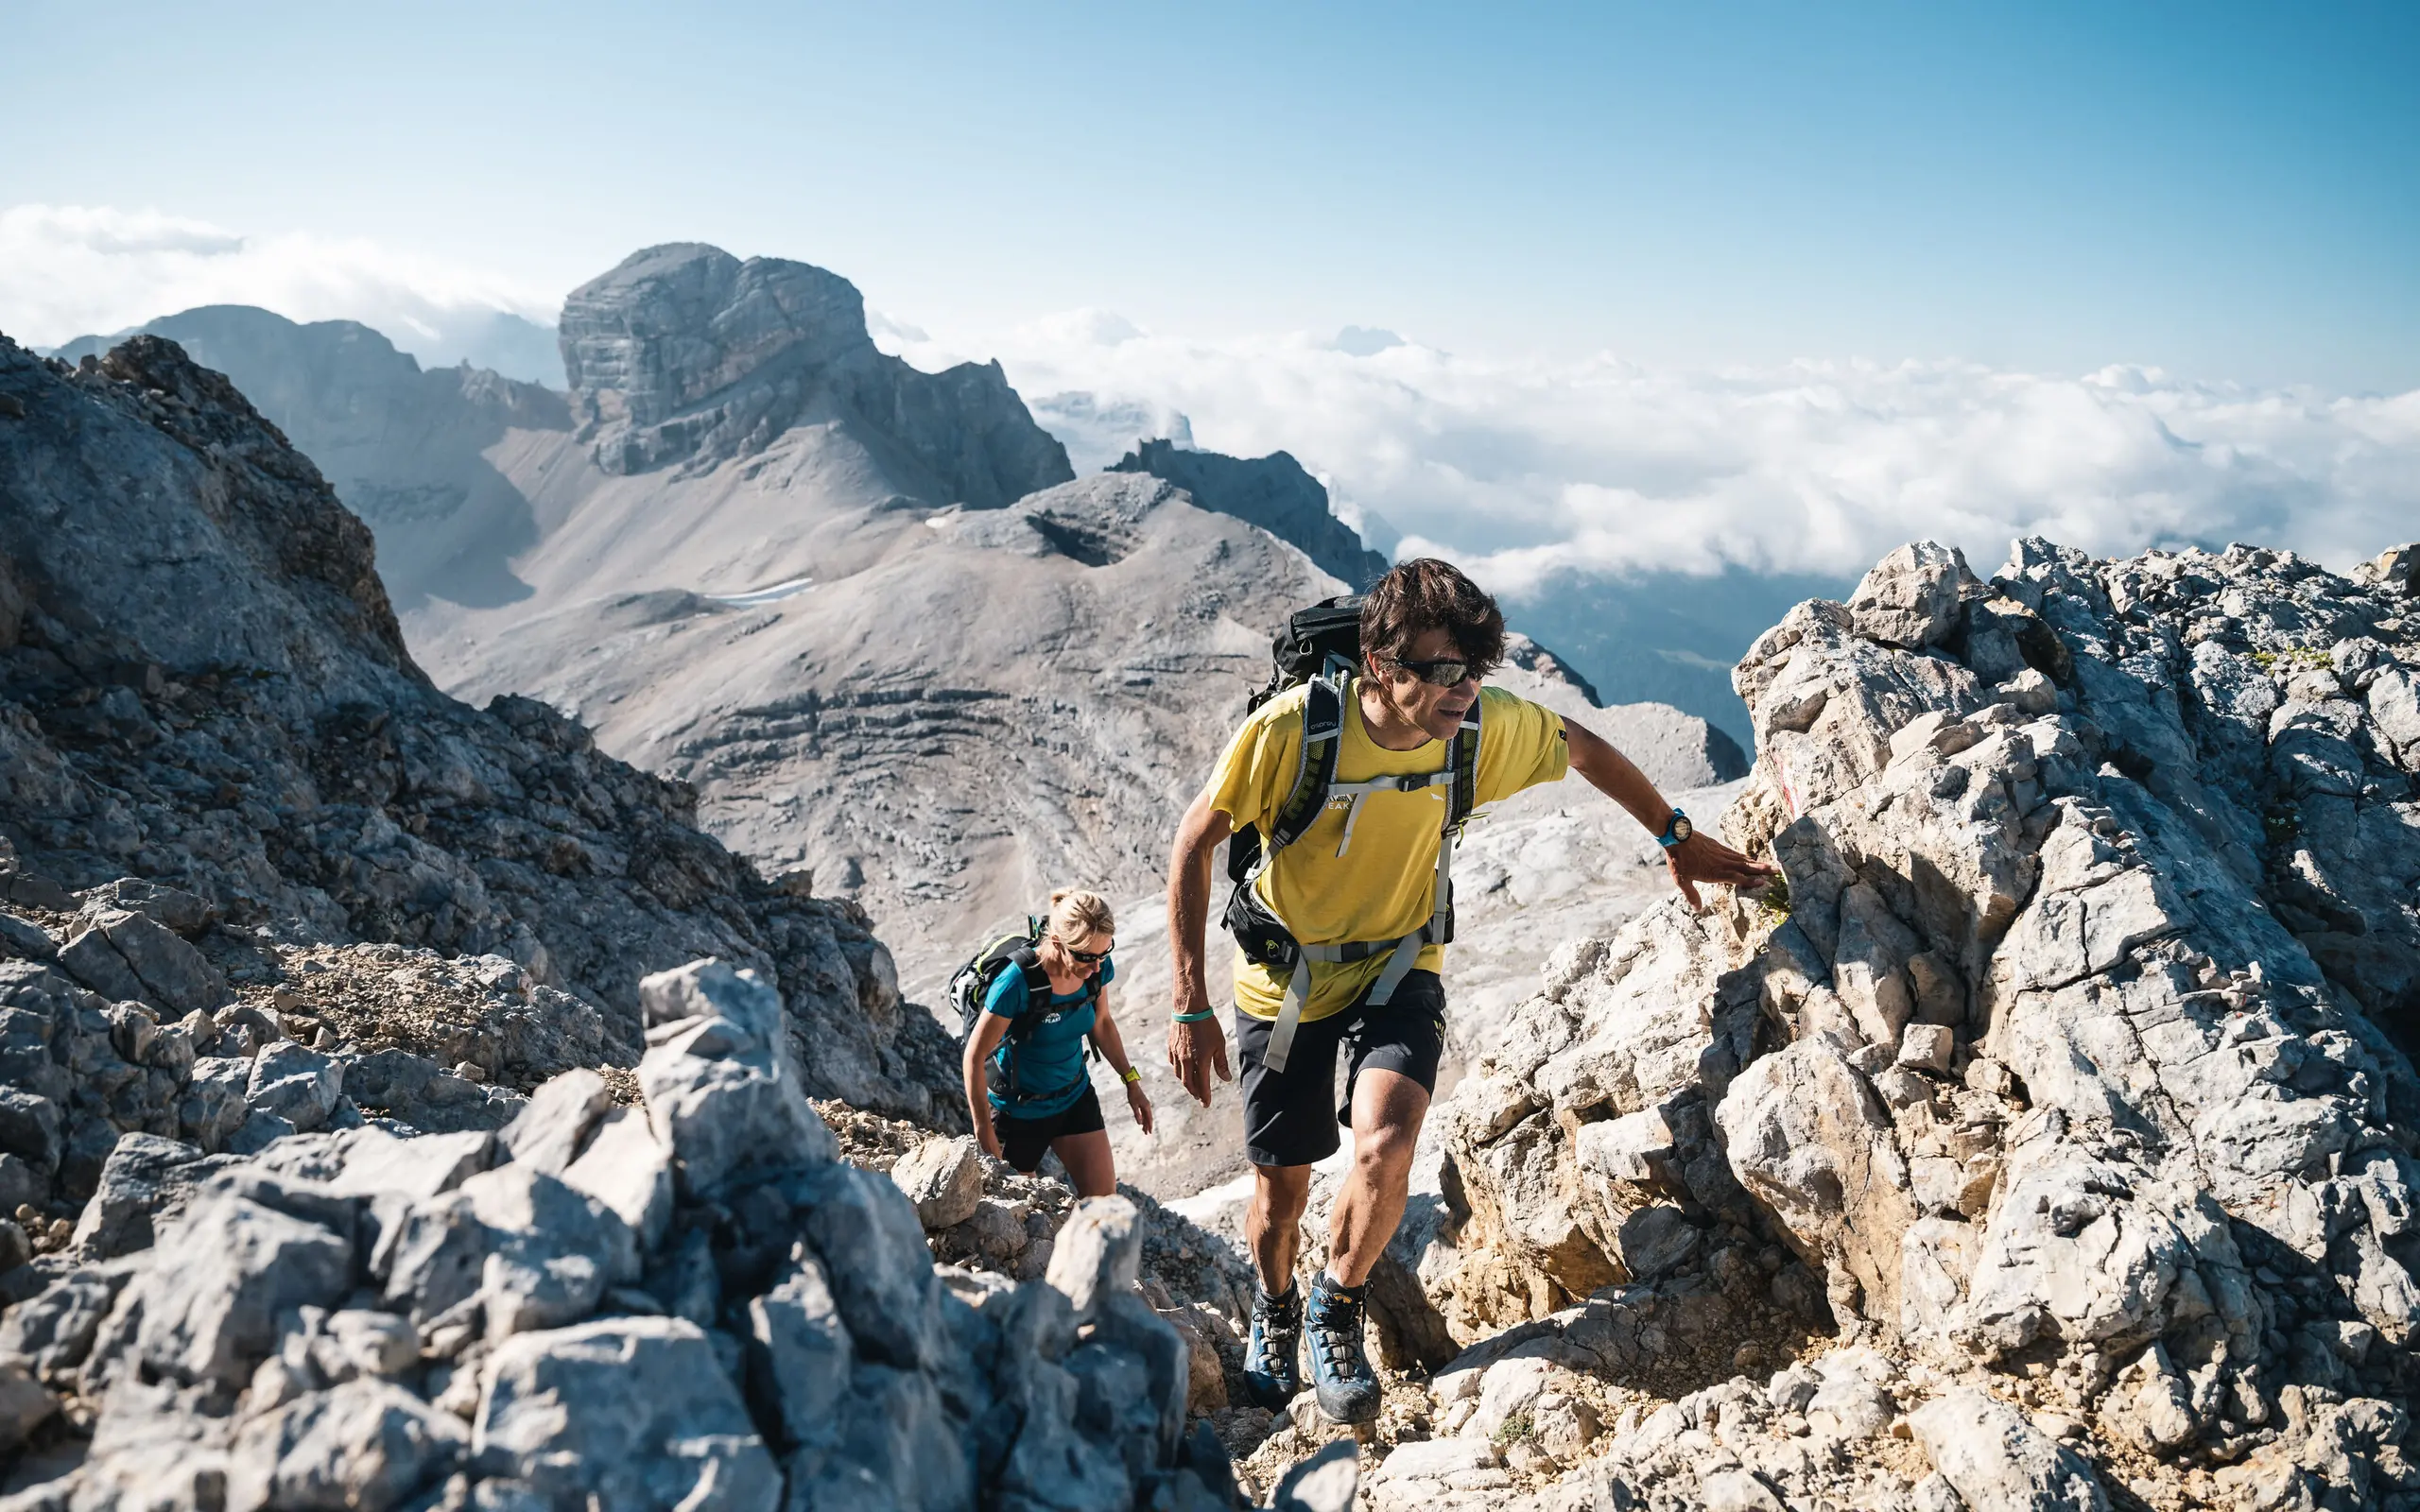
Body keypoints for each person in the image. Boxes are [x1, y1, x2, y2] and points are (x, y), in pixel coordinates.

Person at [1163, 559, 1777, 1423]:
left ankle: (1335, 1312)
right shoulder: (1298, 731)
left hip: (1399, 967)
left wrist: (1676, 836)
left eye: (1474, 670)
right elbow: (1194, 843)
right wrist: (1190, 1003)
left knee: (1388, 1139)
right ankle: (1275, 1306)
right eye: (1440, 670)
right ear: (1381, 665)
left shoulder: (1479, 729)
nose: (1463, 691)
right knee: (1282, 1191)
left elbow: (1583, 749)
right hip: (1285, 981)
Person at [962, 888, 1153, 1197]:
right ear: (1056, 943)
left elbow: (1102, 1023)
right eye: (1087, 957)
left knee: (1104, 1208)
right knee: (1025, 1214)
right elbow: (974, 1055)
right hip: (1019, 1114)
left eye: (1105, 953)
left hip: (1074, 1098)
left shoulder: (1096, 968)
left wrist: (1132, 1083)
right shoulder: (1016, 982)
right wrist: (984, 1132)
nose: (1097, 967)